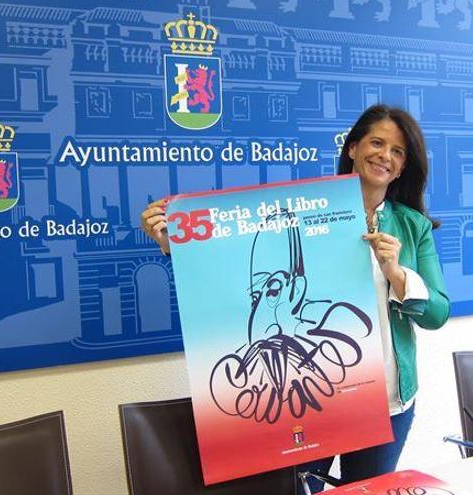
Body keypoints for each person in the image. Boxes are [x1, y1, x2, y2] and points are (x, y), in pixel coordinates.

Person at [140, 104, 450, 493]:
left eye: (397, 151)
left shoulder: (412, 225)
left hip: (387, 402)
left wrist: (397, 274)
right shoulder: (307, 210)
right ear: (352, 148)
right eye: (376, 142)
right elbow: (235, 265)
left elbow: (437, 313)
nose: (384, 155)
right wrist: (176, 244)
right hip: (310, 396)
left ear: (403, 167)